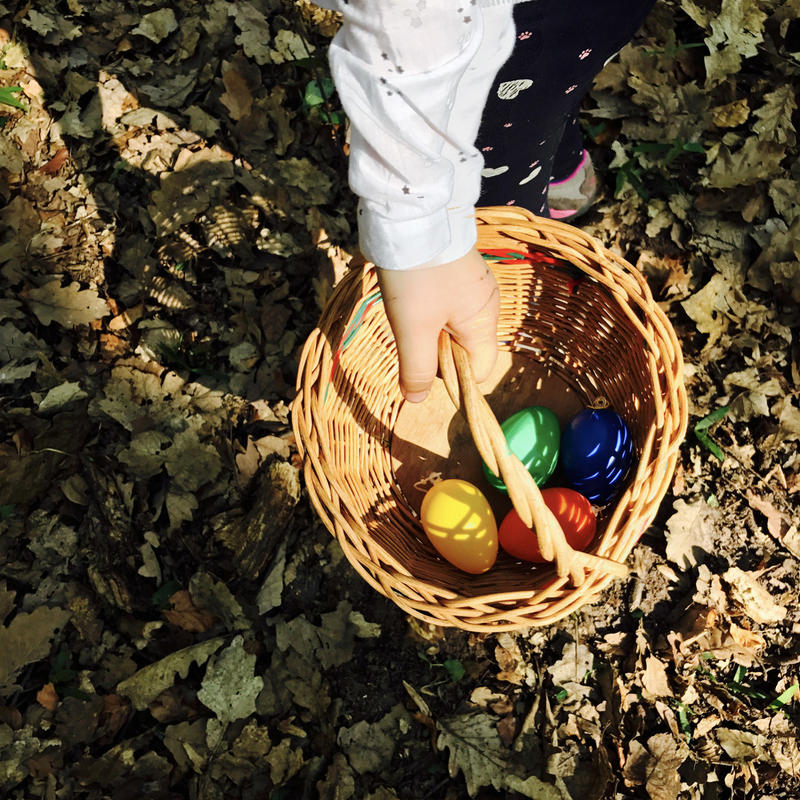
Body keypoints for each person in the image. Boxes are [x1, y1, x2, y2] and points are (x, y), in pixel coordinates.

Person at [314, 0, 656, 402]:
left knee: (512, 121)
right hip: (594, 16)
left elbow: (413, 20)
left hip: (515, 19)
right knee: (549, 93)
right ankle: (562, 167)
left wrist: (419, 231)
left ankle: (530, 182)